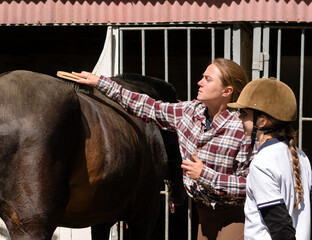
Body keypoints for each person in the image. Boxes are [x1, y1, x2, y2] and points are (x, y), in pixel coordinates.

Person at [71, 58, 253, 240]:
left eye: (208, 79)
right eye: (202, 77)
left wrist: (205, 175)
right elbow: (148, 106)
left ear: (227, 91)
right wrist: (101, 83)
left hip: (235, 215)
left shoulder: (242, 129)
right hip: (204, 214)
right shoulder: (190, 112)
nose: (200, 82)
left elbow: (251, 184)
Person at [228, 77, 312, 240]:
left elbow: (280, 228)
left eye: (244, 113)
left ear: (262, 121)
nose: (239, 118)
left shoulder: (262, 162)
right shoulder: (301, 156)